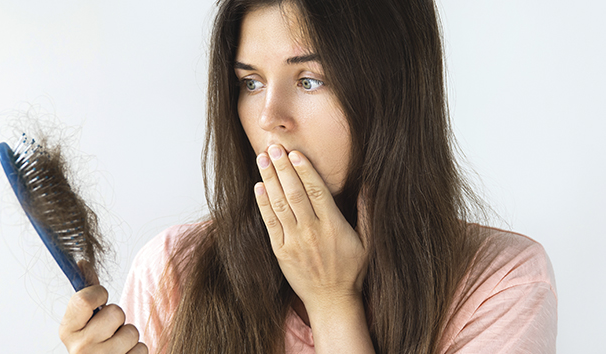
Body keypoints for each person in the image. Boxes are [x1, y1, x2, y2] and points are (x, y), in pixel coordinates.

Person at [59, 0, 557, 353]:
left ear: (392, 94)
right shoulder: (173, 271)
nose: (268, 115)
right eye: (250, 82)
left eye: (309, 80)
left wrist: (332, 303)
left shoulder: (502, 282)